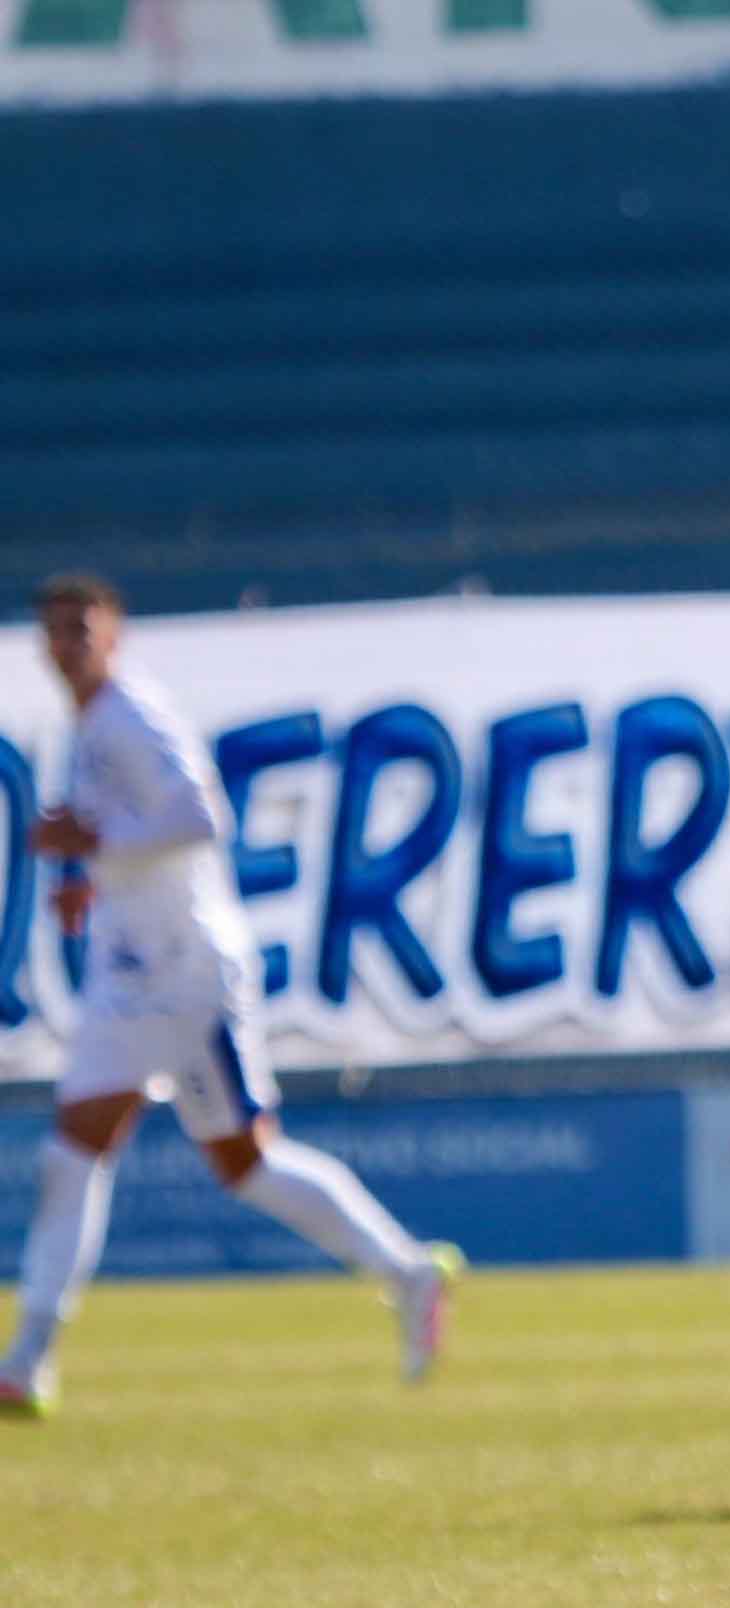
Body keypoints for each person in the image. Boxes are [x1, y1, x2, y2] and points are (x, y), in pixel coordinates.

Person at [2, 574, 459, 1417]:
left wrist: (93, 840)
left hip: (187, 976)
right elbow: (137, 839)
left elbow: (202, 816)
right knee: (76, 1154)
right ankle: (28, 1359)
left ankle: (407, 1271)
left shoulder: (133, 715)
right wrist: (89, 878)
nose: (65, 645)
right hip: (131, 974)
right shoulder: (91, 723)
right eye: (54, 631)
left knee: (241, 1162)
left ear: (113, 635)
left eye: (80, 629)